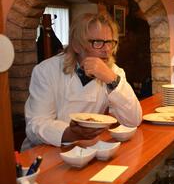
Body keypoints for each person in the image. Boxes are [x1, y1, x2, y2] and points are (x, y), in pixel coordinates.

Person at [22, 13, 142, 150]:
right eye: (98, 42)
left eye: (110, 42)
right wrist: (71, 133)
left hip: (86, 148)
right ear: (77, 46)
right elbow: (35, 125)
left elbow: (133, 120)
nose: (107, 50)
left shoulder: (114, 72)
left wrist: (112, 80)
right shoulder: (46, 71)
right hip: (44, 151)